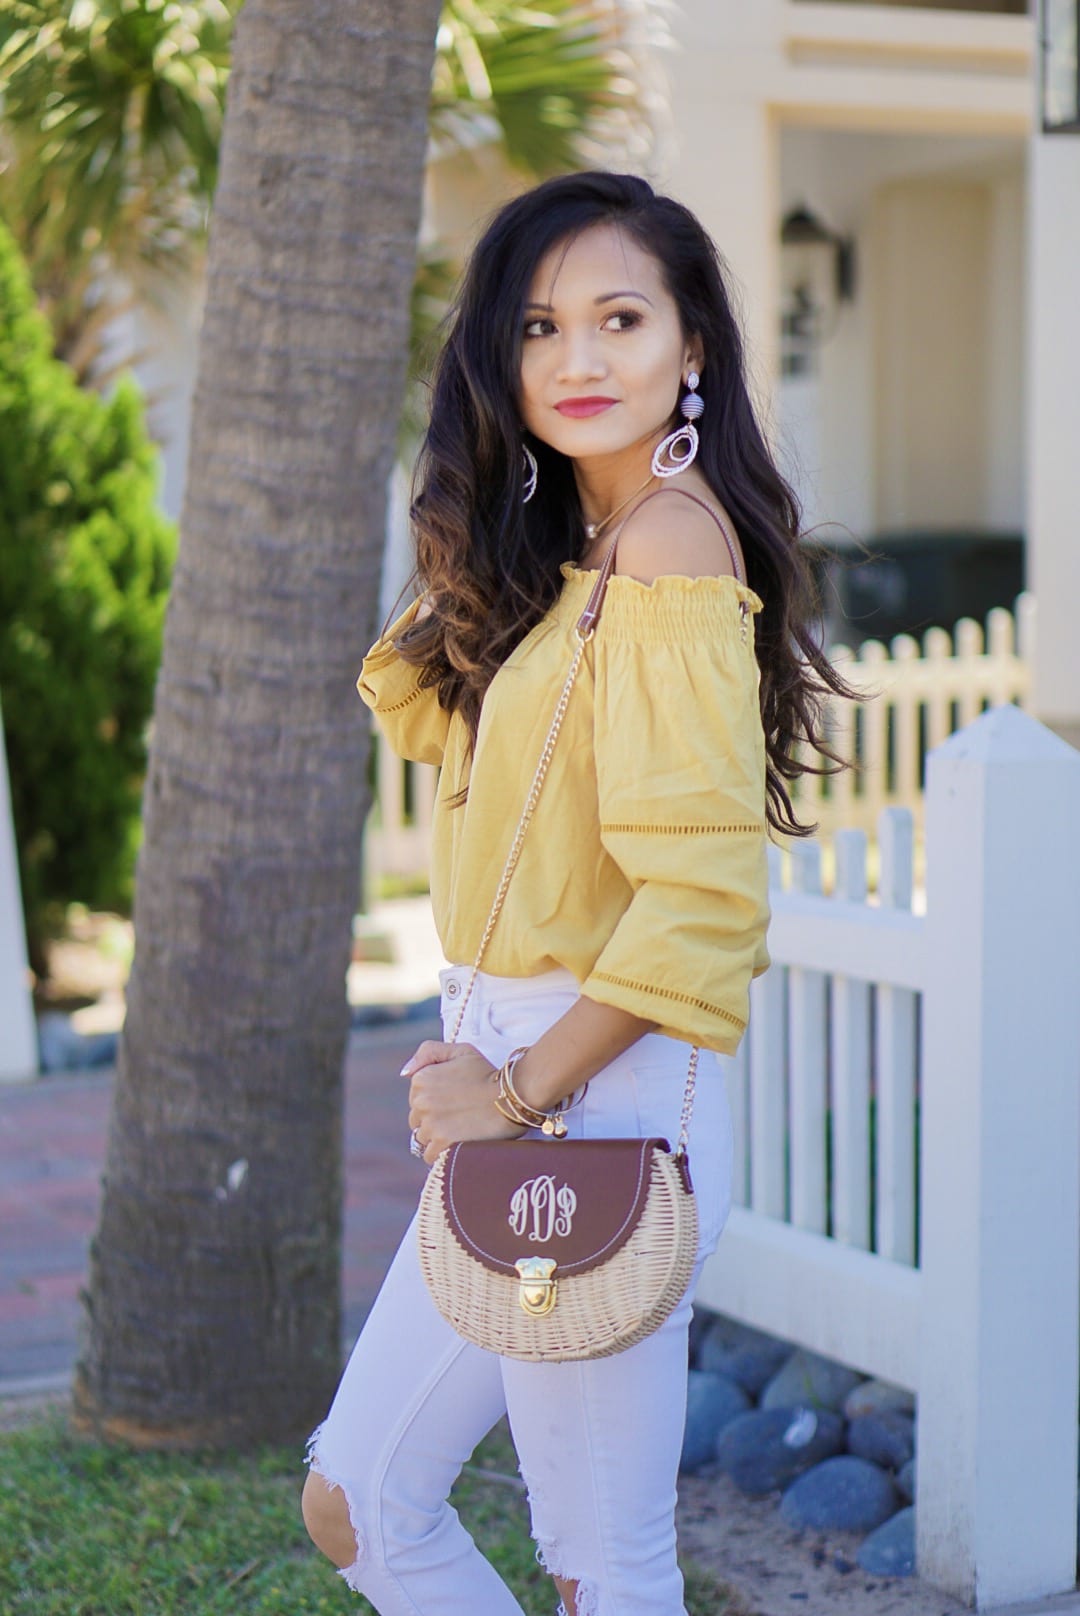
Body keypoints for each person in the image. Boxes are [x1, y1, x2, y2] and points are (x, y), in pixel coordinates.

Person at [301, 170, 847, 1616]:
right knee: (409, 1514)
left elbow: (704, 898)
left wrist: (519, 1095)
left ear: (695, 348)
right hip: (532, 1078)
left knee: (549, 1552)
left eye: (621, 318)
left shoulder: (668, 547)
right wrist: (501, 498)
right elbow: (425, 710)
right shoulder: (580, 558)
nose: (580, 360)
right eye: (539, 329)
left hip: (588, 1089)